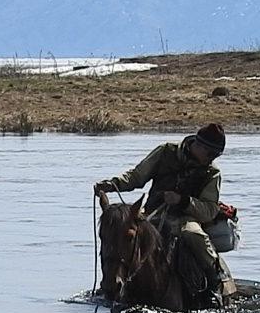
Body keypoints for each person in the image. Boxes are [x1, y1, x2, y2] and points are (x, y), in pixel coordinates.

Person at [93, 123, 234, 301]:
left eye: (216, 155)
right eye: (210, 154)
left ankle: (216, 282)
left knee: (194, 235)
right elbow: (137, 176)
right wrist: (113, 184)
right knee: (122, 235)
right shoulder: (165, 152)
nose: (212, 159)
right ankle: (112, 280)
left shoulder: (212, 173)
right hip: (151, 213)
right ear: (198, 145)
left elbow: (209, 210)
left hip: (184, 218)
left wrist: (182, 201)